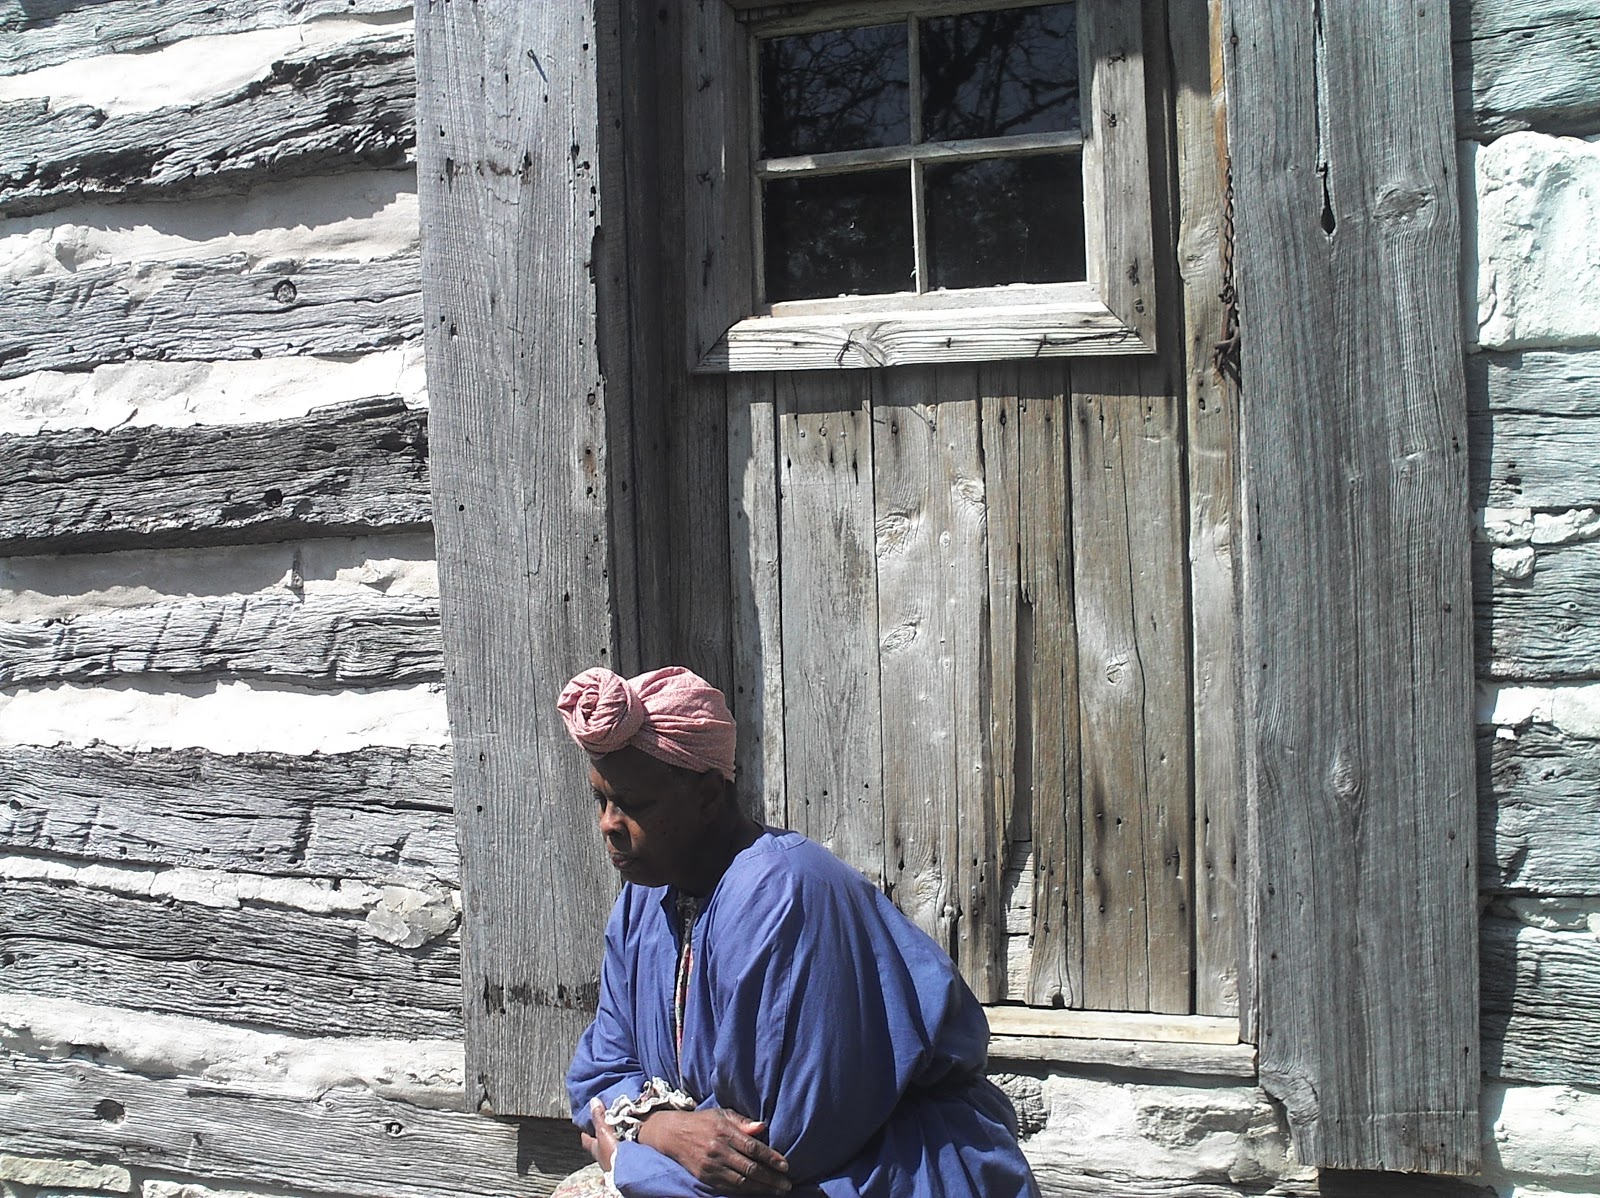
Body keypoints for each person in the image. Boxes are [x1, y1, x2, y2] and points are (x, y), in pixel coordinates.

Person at [553, 664, 1041, 1198]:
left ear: (709, 796)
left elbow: (770, 1158)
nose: (608, 824)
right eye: (599, 800)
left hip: (885, 1174)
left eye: (633, 804)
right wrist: (658, 1128)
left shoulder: (782, 896)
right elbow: (597, 1076)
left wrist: (625, 1158)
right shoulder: (642, 900)